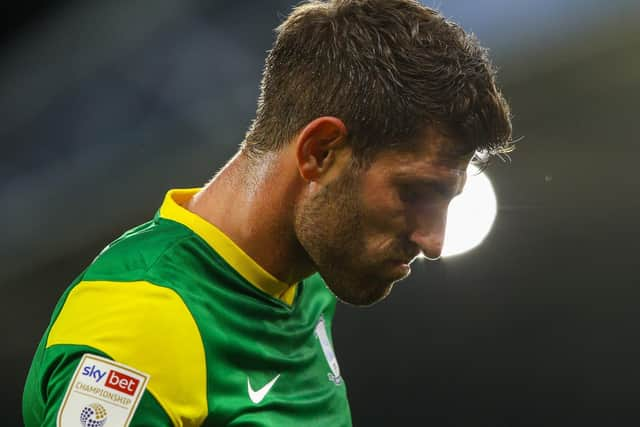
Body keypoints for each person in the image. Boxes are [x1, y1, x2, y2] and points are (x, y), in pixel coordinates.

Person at [23, 0, 513, 425]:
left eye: (448, 198)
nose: (435, 242)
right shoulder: (136, 338)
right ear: (320, 152)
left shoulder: (312, 269)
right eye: (414, 193)